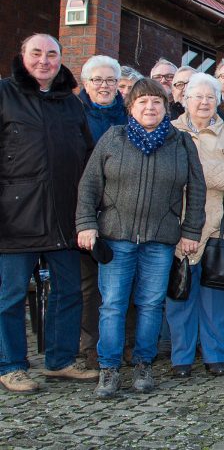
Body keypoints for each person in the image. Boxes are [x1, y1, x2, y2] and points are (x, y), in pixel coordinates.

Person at [76, 77, 206, 398]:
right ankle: (108, 369)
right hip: (116, 238)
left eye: (157, 102)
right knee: (113, 305)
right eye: (142, 102)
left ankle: (143, 365)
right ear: (130, 107)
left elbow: (197, 190)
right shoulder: (113, 138)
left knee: (150, 305)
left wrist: (190, 232)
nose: (150, 107)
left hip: (160, 240)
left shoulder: (181, 142)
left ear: (165, 107)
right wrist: (86, 223)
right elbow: (89, 185)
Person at [0, 34, 98, 393]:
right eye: (36, 53)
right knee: (10, 297)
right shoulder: (4, 94)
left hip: (64, 215)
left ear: (60, 59)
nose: (44, 61)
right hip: (15, 217)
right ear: (22, 56)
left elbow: (87, 158)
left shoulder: (71, 104)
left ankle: (59, 361)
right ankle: (11, 365)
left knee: (69, 291)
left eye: (52, 54)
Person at [166, 73, 224, 378]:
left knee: (215, 300)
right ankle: (181, 360)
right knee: (181, 298)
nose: (203, 102)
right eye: (197, 97)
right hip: (179, 230)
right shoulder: (171, 132)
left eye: (209, 97)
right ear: (185, 100)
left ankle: (216, 357)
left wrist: (200, 168)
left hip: (217, 230)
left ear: (218, 100)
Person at [77, 55, 128, 369]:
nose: (104, 86)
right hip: (89, 209)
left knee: (124, 282)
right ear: (86, 84)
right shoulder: (74, 114)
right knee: (89, 284)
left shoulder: (128, 114)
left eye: (110, 80)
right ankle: (91, 347)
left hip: (125, 211)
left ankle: (122, 345)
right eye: (97, 80)